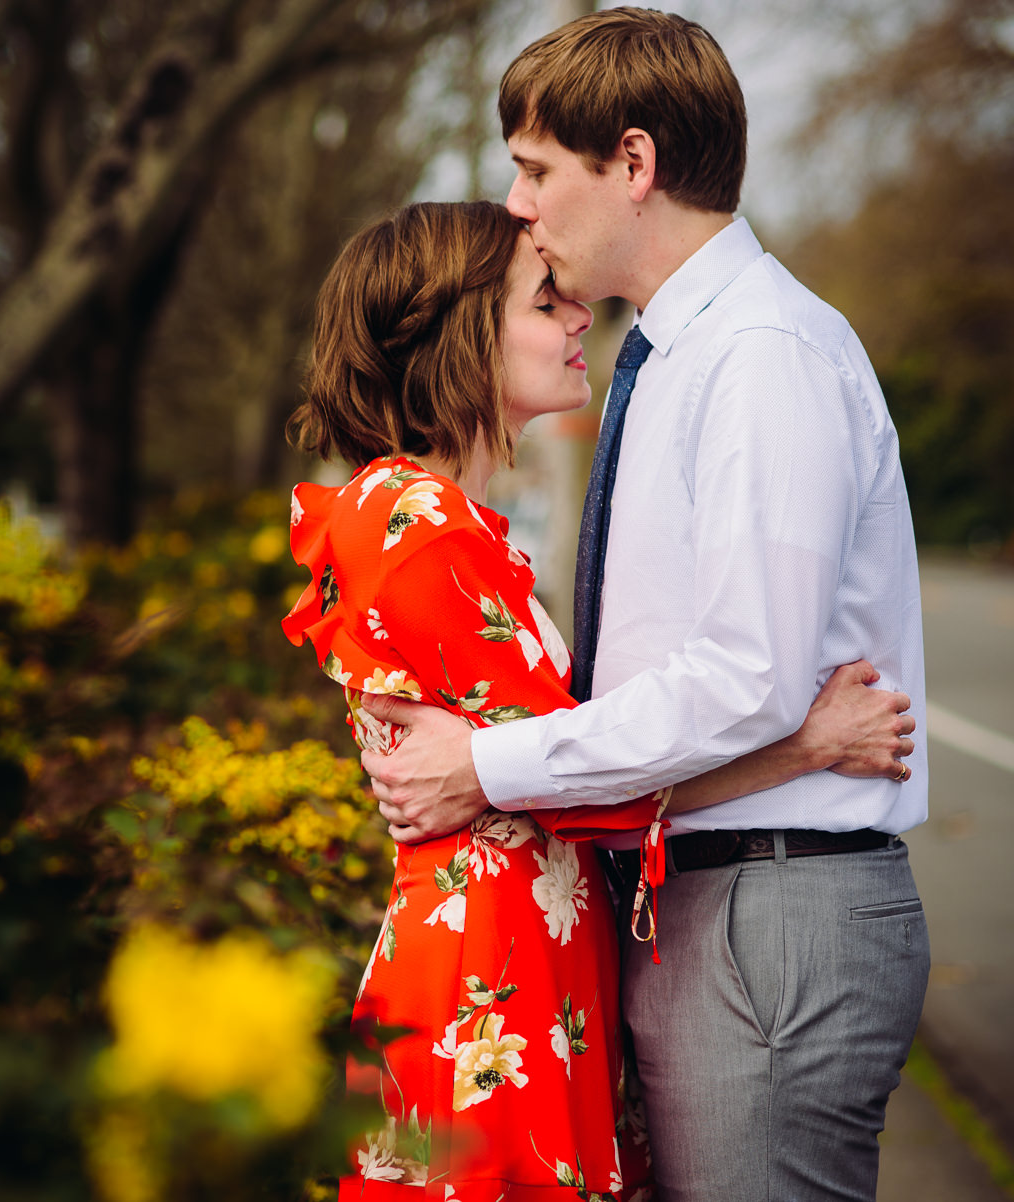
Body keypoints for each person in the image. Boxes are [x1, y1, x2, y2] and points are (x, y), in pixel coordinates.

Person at [360, 11, 929, 1202]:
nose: (517, 203)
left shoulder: (760, 353)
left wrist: (493, 762)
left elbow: (744, 675)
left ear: (632, 164)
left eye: (535, 169)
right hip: (702, 898)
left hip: (765, 916)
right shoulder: (680, 353)